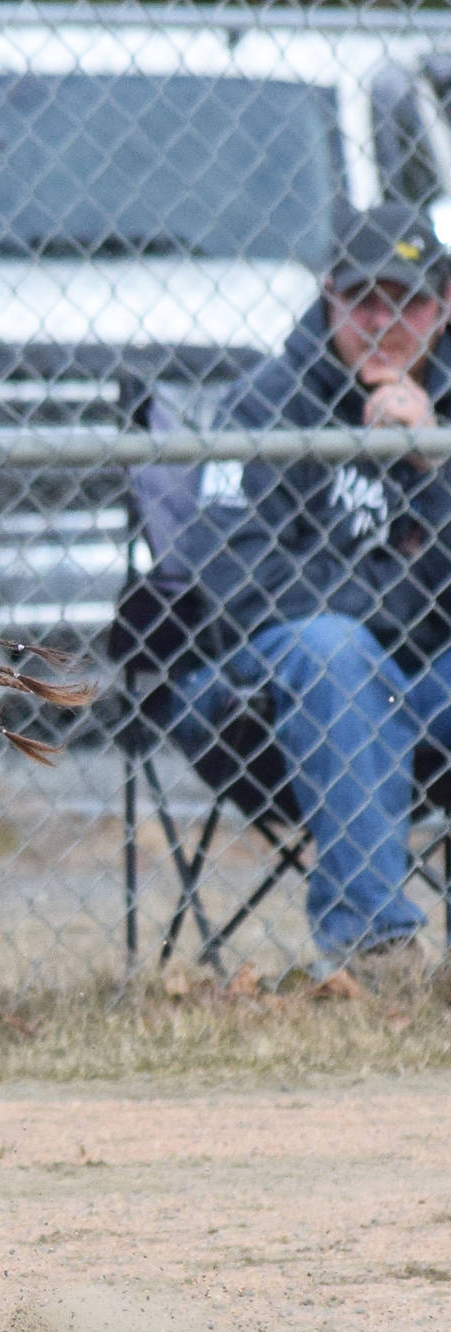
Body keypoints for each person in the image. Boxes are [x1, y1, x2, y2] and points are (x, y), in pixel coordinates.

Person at [169, 203, 451, 970]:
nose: (386, 321)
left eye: (410, 300)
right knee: (337, 650)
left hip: (422, 687)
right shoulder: (266, 399)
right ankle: (371, 948)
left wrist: (433, 467)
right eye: (364, 299)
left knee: (351, 645)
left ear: (446, 302)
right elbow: (238, 581)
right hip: (265, 692)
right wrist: (390, 606)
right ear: (329, 296)